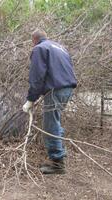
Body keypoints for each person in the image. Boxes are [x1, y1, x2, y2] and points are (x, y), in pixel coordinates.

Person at [22, 29, 77, 174]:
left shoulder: (39, 48)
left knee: (50, 125)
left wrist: (30, 99)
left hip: (56, 90)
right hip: (68, 88)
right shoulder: (60, 47)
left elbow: (37, 76)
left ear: (34, 40)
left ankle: (58, 164)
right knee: (55, 121)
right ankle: (58, 156)